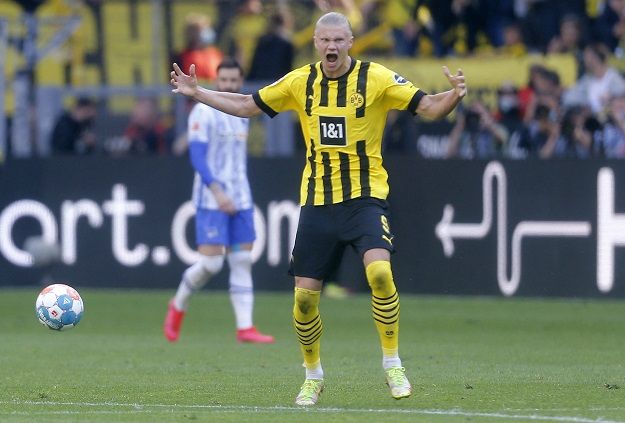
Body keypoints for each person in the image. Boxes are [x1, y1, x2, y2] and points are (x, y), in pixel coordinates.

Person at [170, 12, 466, 405]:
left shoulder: (375, 78)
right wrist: (199, 93)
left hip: (365, 198)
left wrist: (454, 97)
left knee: (379, 272)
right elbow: (246, 105)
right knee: (305, 299)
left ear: (350, 42)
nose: (331, 46)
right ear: (315, 42)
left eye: (339, 40)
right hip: (318, 203)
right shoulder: (299, 82)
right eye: (325, 40)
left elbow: (428, 107)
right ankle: (312, 376)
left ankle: (393, 364)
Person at [163, 58, 274, 345]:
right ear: (216, 81)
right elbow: (197, 155)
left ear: (239, 81)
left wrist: (234, 193)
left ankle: (245, 328)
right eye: (223, 81)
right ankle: (177, 305)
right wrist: (217, 191)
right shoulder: (203, 112)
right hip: (212, 199)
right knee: (211, 265)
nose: (228, 85)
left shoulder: (242, 110)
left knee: (241, 260)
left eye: (233, 81)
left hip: (241, 196)